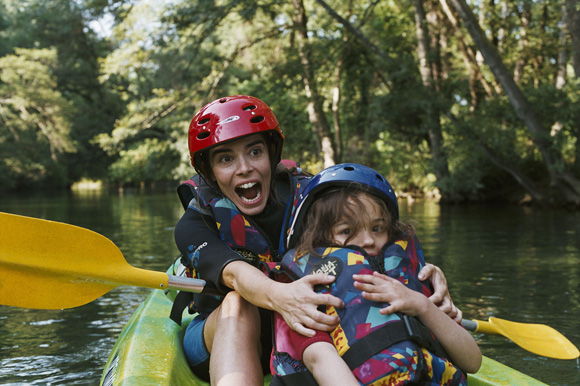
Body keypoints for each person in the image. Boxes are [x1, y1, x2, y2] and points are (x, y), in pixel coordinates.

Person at [173, 95, 463, 385]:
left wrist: (426, 279)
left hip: (312, 333)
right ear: (209, 171)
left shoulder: (314, 199)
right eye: (226, 158)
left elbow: (373, 242)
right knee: (239, 303)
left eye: (255, 152)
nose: (244, 168)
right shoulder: (194, 223)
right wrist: (282, 296)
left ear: (271, 154)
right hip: (222, 335)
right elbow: (234, 274)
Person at [270, 163, 481, 385]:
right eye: (346, 231)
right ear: (317, 237)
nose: (368, 240)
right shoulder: (303, 296)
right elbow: (320, 361)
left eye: (377, 228)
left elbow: (472, 361)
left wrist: (422, 305)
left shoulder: (411, 279)